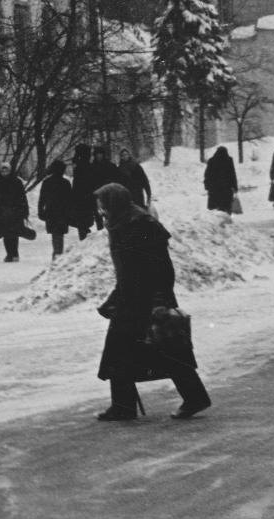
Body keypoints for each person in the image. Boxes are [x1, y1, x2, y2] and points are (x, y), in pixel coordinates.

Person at [92, 183, 211, 422]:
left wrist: (160, 300)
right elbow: (128, 270)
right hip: (130, 298)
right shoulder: (120, 222)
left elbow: (161, 266)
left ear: (114, 203)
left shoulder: (141, 224)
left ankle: (193, 398)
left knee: (165, 349)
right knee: (124, 349)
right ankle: (124, 406)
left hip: (148, 299)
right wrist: (115, 298)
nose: (101, 211)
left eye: (103, 205)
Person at [0, 163, 30, 262]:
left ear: (10, 171)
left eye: (6, 170)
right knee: (6, 233)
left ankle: (14, 254)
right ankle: (10, 254)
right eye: (2, 170)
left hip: (15, 211)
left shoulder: (16, 182)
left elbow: (22, 197)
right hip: (3, 212)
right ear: (0, 171)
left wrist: (25, 211)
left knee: (14, 233)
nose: (4, 172)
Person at [37, 158, 73, 257]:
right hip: (62, 213)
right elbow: (70, 200)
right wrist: (70, 213)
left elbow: (42, 199)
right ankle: (58, 253)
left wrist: (40, 211)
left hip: (51, 212)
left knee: (55, 234)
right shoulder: (65, 183)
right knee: (59, 234)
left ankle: (57, 253)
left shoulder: (47, 182)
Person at [68, 144, 98, 241]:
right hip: (86, 196)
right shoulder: (87, 165)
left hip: (79, 197)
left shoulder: (77, 164)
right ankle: (86, 238)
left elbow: (77, 183)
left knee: (81, 221)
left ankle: (84, 238)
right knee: (85, 220)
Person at [203, 146, 238, 214]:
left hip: (214, 188)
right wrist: (235, 186)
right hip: (226, 188)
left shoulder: (212, 160)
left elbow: (207, 174)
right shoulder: (229, 160)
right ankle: (226, 219)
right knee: (226, 206)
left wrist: (207, 185)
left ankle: (215, 220)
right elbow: (232, 174)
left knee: (214, 207)